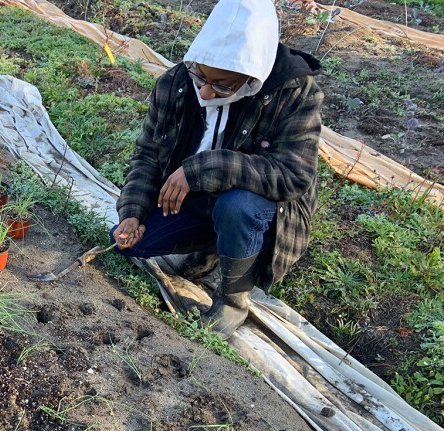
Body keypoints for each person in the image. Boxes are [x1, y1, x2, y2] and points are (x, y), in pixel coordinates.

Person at [112, 0, 324, 339]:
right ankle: (211, 247)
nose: (207, 91)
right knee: (130, 243)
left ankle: (232, 298)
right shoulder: (176, 84)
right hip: (198, 199)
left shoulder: (294, 93)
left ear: (253, 75)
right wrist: (133, 212)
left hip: (258, 207)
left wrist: (202, 168)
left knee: (236, 206)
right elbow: (149, 154)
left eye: (223, 85)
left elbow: (292, 176)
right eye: (202, 77)